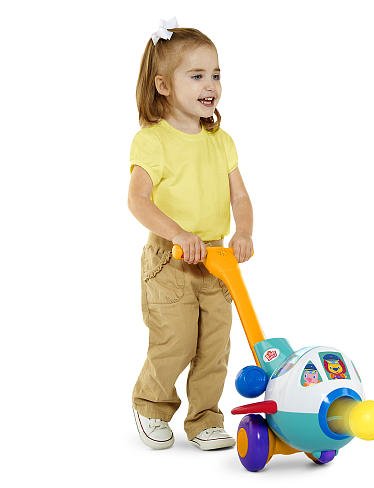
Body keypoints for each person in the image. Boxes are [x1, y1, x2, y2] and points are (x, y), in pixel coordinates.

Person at [128, 19, 253, 451]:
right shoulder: (152, 141)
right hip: (172, 259)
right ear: (163, 85)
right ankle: (151, 404)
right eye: (197, 75)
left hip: (217, 260)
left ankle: (204, 419)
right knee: (176, 341)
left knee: (215, 346)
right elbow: (138, 201)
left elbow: (240, 196)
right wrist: (179, 234)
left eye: (215, 74)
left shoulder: (221, 141)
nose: (210, 85)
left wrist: (244, 232)